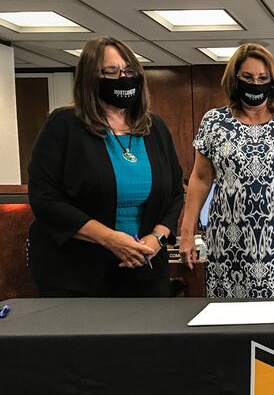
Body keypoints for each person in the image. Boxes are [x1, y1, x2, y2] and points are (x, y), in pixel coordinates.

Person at [27, 36, 183, 297]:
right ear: (90, 79)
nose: (123, 77)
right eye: (111, 72)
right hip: (76, 272)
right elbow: (45, 199)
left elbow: (175, 193)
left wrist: (156, 239)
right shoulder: (63, 125)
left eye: (129, 71)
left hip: (145, 265)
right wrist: (111, 239)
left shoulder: (154, 128)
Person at [179, 43, 274, 298]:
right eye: (248, 77)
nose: (255, 83)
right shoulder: (214, 121)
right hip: (229, 240)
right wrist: (187, 232)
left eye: (263, 78)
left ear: (273, 81)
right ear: (234, 79)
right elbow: (200, 178)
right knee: (229, 321)